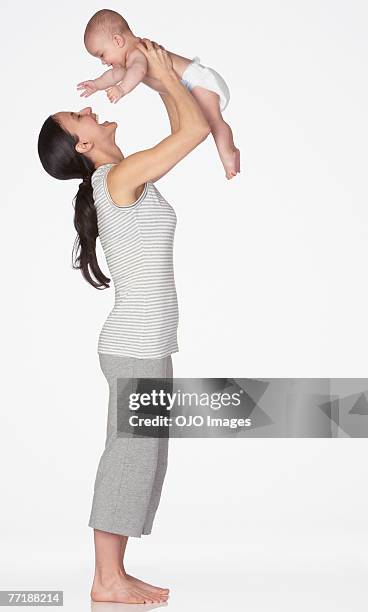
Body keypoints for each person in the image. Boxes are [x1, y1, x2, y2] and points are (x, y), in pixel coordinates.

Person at [37, 39, 210, 604]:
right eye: (78, 115)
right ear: (83, 143)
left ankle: (115, 574)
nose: (88, 107)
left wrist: (165, 82)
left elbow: (183, 130)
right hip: (135, 345)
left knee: (141, 457)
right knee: (130, 456)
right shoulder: (116, 180)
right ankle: (105, 579)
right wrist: (161, 73)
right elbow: (193, 133)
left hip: (142, 343)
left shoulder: (122, 176)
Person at [77, 8, 240, 180]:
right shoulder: (126, 60)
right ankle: (227, 150)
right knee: (190, 127)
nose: (103, 62)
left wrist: (122, 89)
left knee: (214, 120)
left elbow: (137, 71)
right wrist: (96, 84)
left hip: (197, 80)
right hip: (185, 86)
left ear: (117, 40)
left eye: (102, 55)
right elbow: (113, 76)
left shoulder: (136, 52)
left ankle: (228, 153)